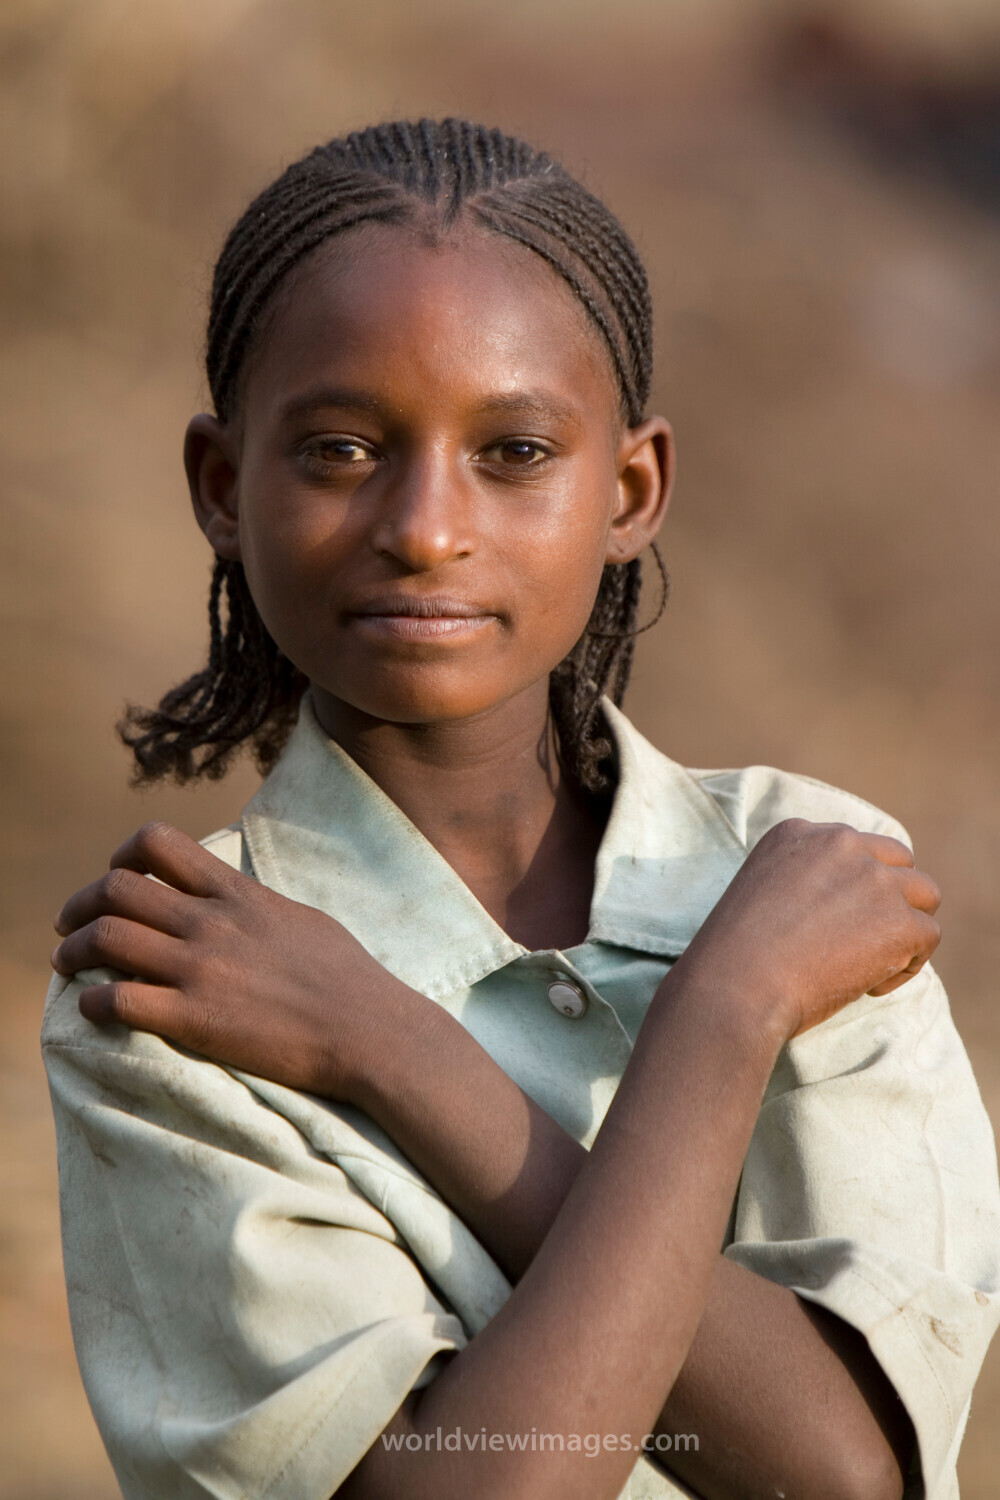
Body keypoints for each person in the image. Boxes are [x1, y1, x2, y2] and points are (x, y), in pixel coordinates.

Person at [42, 119, 999, 1500]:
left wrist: (399, 1052)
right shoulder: (171, 989)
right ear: (222, 487)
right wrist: (724, 1024)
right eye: (339, 449)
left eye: (514, 450)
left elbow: (847, 1470)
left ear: (630, 491)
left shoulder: (802, 889)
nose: (426, 526)